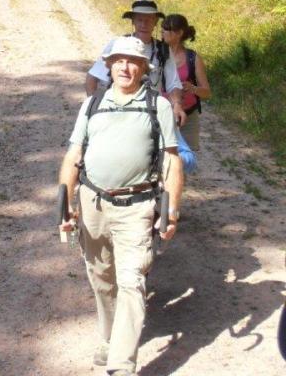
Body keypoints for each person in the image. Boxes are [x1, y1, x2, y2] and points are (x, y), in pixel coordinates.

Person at [59, 36, 183, 375]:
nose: (126, 67)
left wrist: (171, 211)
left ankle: (122, 364)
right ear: (109, 65)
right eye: (119, 60)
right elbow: (74, 156)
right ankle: (110, 336)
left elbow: (172, 160)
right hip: (93, 202)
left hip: (138, 205)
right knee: (101, 276)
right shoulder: (92, 104)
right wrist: (66, 205)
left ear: (144, 68)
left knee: (132, 280)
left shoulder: (156, 106)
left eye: (133, 61)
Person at [86, 0, 187, 127]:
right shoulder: (117, 45)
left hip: (150, 115)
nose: (144, 24)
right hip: (116, 113)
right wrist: (92, 108)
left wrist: (177, 105)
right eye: (140, 19)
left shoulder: (163, 50)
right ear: (133, 21)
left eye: (149, 19)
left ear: (155, 22)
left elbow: (174, 84)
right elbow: (91, 78)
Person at [161, 13, 212, 150]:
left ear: (179, 33)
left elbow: (207, 93)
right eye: (162, 28)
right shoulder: (157, 54)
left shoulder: (193, 58)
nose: (162, 31)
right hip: (161, 116)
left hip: (188, 118)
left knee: (186, 163)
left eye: (166, 28)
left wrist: (193, 88)